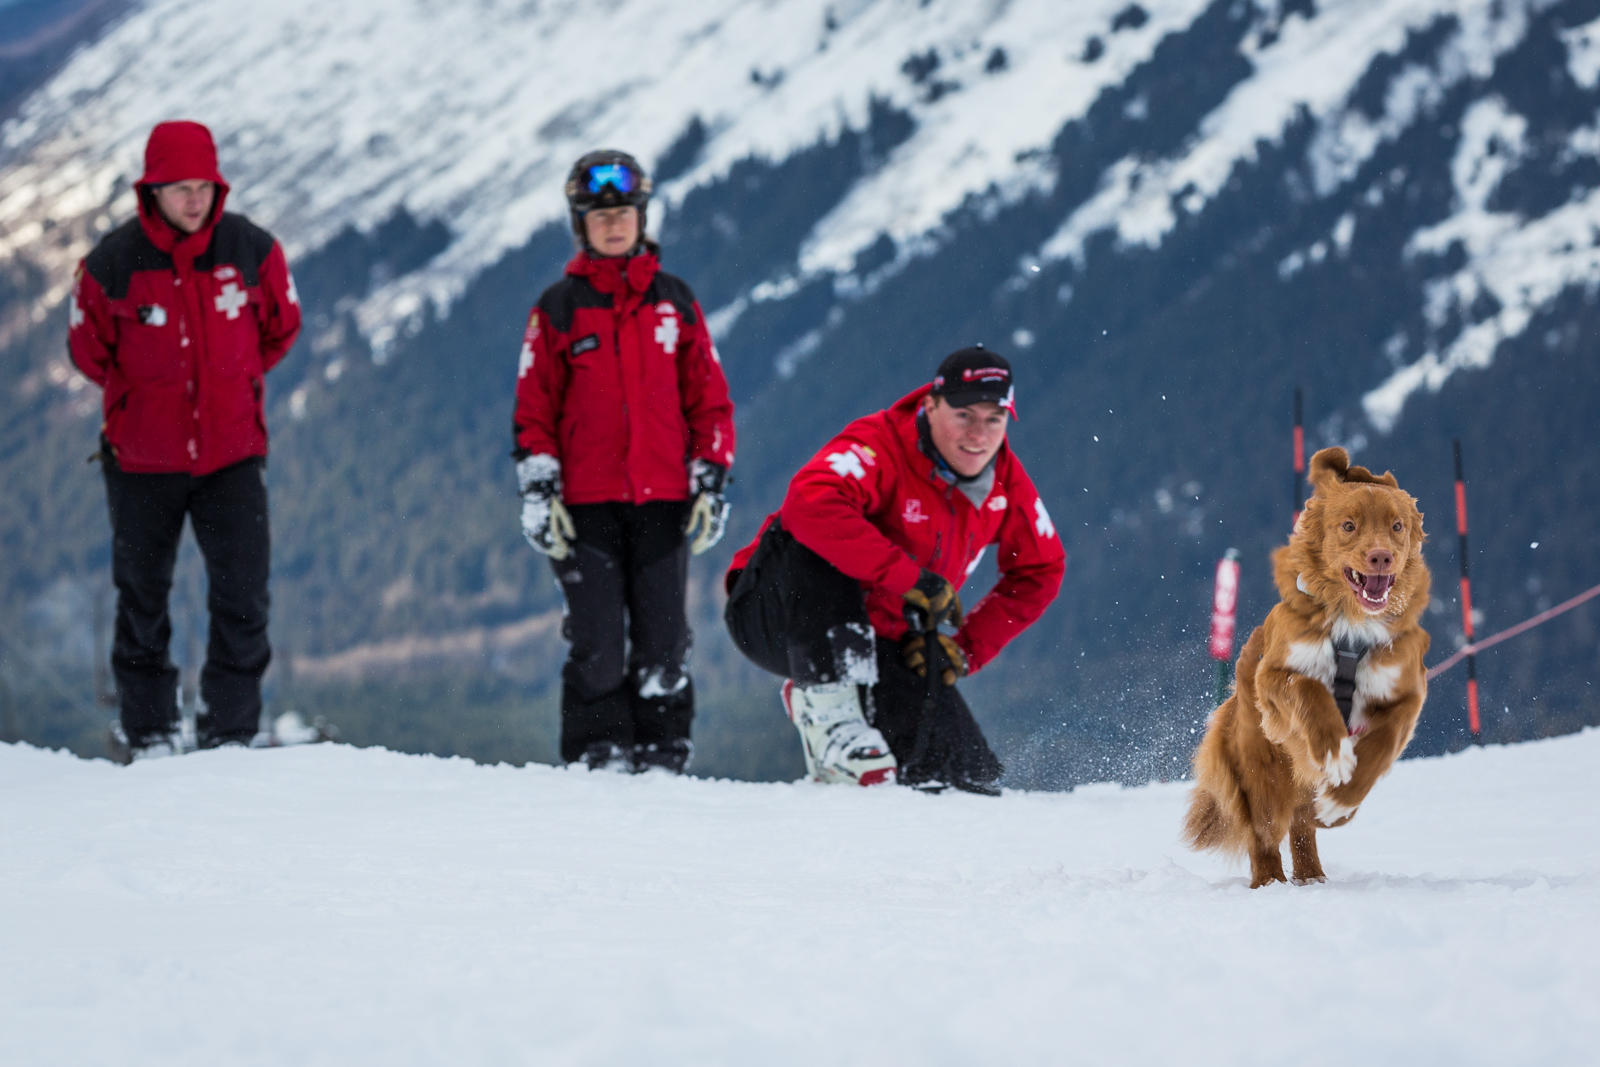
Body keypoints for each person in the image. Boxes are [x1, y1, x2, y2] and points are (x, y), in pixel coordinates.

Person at [723, 347, 1064, 793]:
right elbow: (810, 503)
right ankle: (827, 702)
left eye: (994, 419)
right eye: (964, 415)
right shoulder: (878, 445)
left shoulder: (1006, 483)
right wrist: (911, 579)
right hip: (775, 613)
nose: (979, 434)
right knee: (811, 534)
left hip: (881, 640)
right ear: (930, 404)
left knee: (966, 780)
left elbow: (1042, 568)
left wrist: (964, 648)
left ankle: (846, 708)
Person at [68, 120, 302, 762]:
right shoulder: (111, 265)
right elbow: (89, 351)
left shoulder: (252, 250)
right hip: (143, 461)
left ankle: (229, 729)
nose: (194, 201)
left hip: (232, 456)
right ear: (153, 191)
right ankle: (151, 732)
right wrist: (140, 400)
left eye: (204, 187)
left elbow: (281, 329)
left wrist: (234, 385)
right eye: (180, 189)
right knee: (143, 595)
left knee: (243, 594)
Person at [512, 150, 736, 774]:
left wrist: (709, 478)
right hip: (583, 505)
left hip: (665, 499)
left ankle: (664, 754)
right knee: (599, 642)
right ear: (579, 222)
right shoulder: (558, 307)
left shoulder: (675, 303)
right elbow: (533, 408)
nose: (613, 224)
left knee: (665, 643)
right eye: (598, 214)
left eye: (624, 212)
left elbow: (710, 400)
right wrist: (538, 486)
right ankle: (597, 752)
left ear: (642, 217)